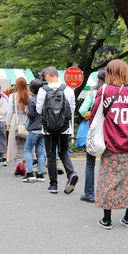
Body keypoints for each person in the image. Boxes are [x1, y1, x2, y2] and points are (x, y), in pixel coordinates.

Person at [90, 59, 128, 230]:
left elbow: (95, 116)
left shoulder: (104, 91)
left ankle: (107, 219)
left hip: (110, 143)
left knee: (108, 180)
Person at [36, 66, 78, 194]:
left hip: (48, 128)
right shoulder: (68, 90)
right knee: (63, 152)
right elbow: (71, 109)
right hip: (64, 128)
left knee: (51, 155)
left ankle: (53, 185)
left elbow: (39, 110)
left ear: (48, 76)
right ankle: (71, 174)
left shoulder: (43, 90)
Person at [78, 69, 106, 203]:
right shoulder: (114, 91)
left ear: (98, 79)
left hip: (94, 132)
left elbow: (82, 110)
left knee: (90, 164)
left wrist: (92, 116)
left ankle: (89, 193)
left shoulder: (92, 92)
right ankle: (106, 194)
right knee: (108, 163)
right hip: (108, 132)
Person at [23, 79, 46, 182]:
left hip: (34, 129)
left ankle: (30, 173)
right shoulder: (46, 98)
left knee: (28, 149)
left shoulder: (32, 99)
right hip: (43, 129)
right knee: (40, 153)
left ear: (32, 89)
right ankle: (40, 174)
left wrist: (26, 111)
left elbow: (31, 114)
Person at [7, 77, 30, 175]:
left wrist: (7, 122)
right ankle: (24, 164)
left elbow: (9, 112)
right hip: (26, 121)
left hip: (16, 121)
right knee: (26, 144)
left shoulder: (12, 96)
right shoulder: (29, 96)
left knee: (15, 143)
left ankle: (19, 163)